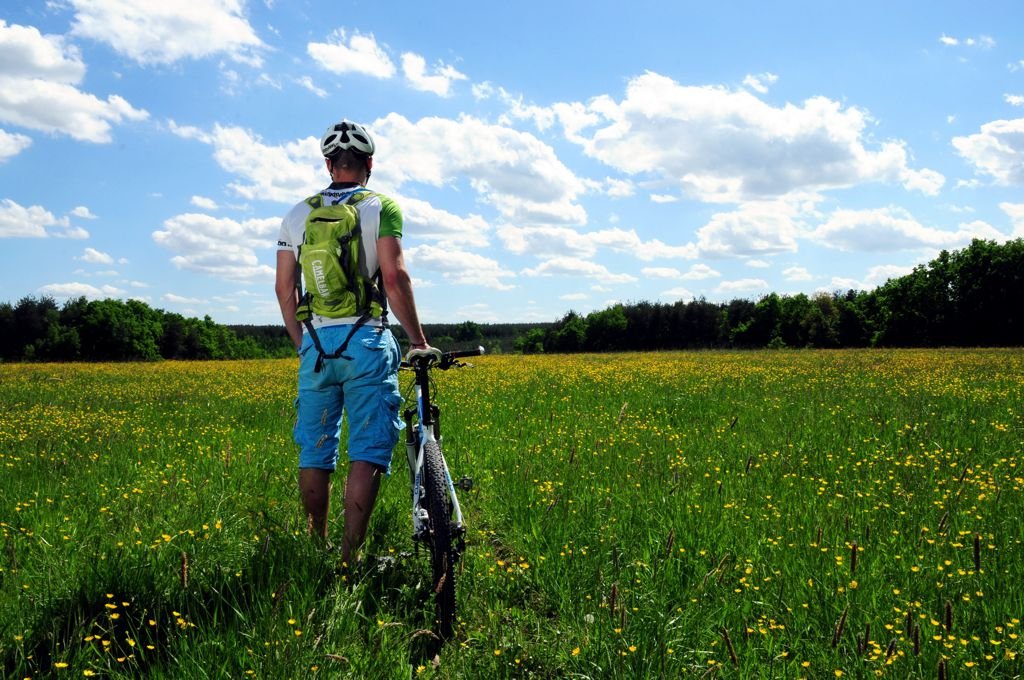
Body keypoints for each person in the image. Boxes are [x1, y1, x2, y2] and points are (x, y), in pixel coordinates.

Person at [275, 119, 437, 566]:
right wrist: (418, 340)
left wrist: (301, 343)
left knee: (316, 448)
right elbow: (394, 275)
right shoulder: (381, 206)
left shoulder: (297, 214)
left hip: (316, 346)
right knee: (366, 449)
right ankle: (349, 559)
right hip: (366, 340)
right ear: (368, 164)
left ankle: (315, 547)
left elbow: (283, 289)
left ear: (329, 164)